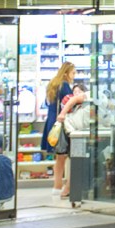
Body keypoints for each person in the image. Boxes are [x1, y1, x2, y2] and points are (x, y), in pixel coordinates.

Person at [41, 63, 82, 198]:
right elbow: (69, 102)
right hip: (61, 121)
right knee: (67, 155)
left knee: (59, 157)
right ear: (66, 73)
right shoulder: (64, 85)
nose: (74, 76)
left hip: (52, 121)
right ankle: (65, 187)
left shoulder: (53, 84)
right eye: (73, 73)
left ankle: (57, 186)